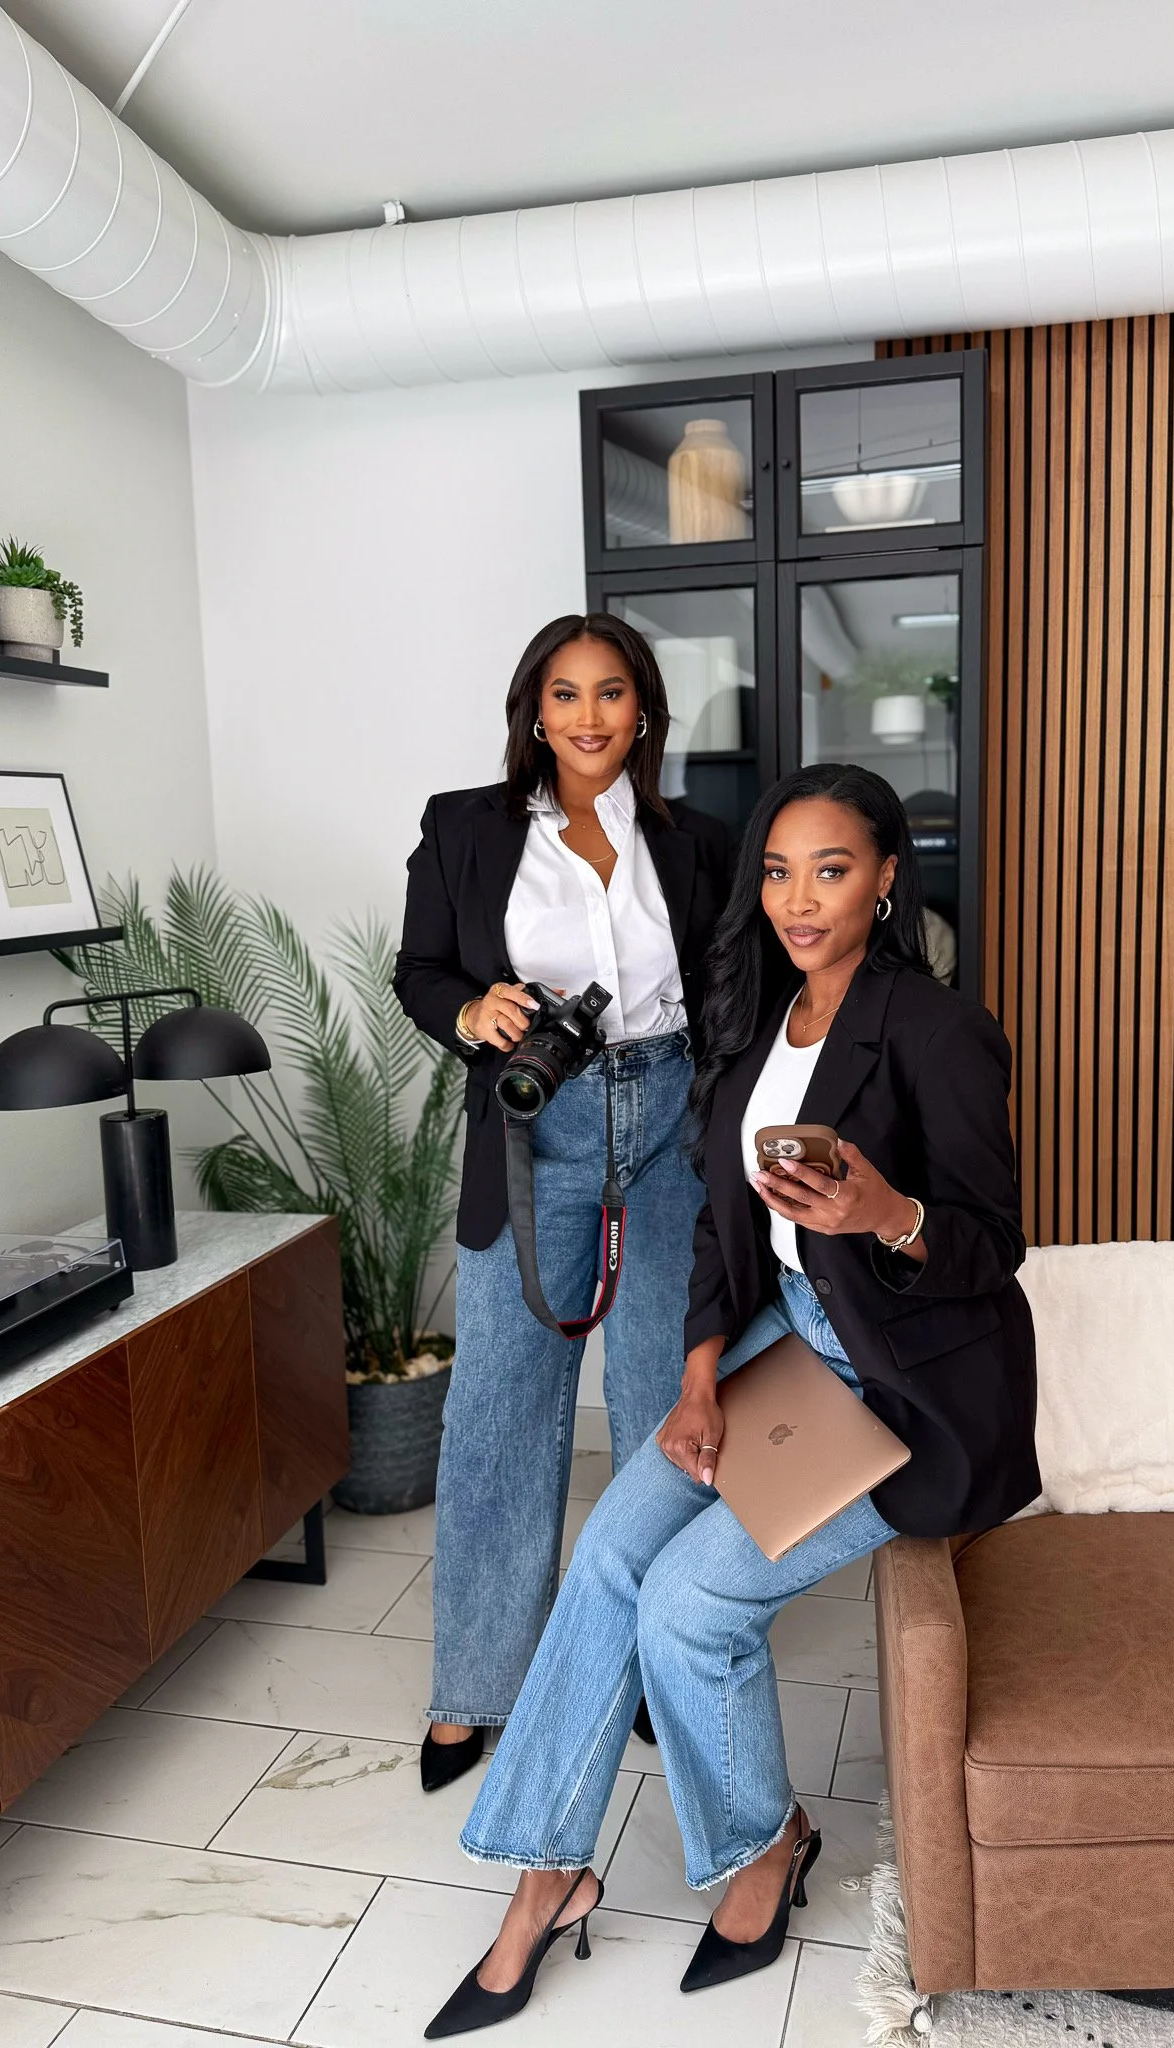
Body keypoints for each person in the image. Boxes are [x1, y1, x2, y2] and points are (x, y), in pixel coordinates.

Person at [423, 762, 1040, 2038]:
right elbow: (722, 1228)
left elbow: (992, 1246)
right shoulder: (758, 1022)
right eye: (777, 870)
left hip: (904, 1380)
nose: (798, 899)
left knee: (691, 1603)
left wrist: (889, 1212)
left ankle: (767, 1842)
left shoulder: (933, 1030)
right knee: (605, 1558)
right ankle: (547, 1871)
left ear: (883, 879)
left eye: (830, 870)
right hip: (785, 1342)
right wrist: (700, 1371)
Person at [394, 613, 731, 1795]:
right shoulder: (465, 829)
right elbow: (420, 971)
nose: (588, 715)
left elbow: (727, 993)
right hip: (540, 1124)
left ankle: (655, 1661)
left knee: (662, 1410)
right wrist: (471, 1013)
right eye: (564, 692)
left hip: (671, 1118)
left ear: (643, 711)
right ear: (533, 709)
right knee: (500, 1412)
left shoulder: (694, 843)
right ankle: (477, 1683)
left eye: (612, 692)